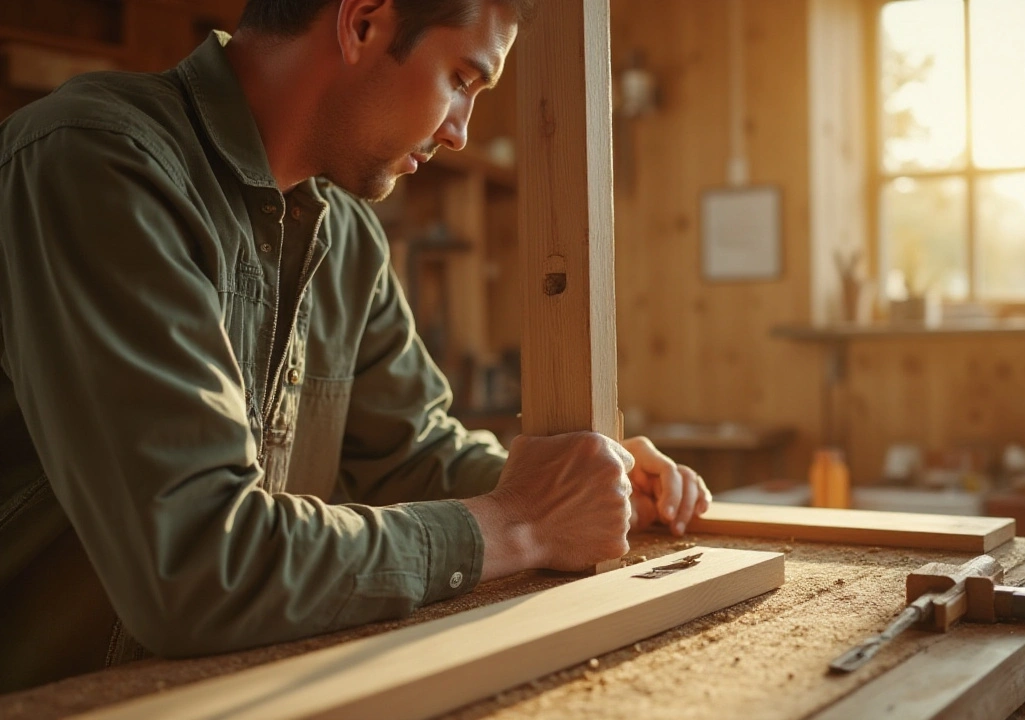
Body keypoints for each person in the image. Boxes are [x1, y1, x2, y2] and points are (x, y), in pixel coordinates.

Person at [0, 0, 711, 692]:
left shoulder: (343, 234)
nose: (463, 130)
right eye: (462, 80)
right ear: (363, 21)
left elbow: (412, 457)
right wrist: (522, 524)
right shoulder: (97, 160)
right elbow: (196, 563)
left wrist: (586, 489)